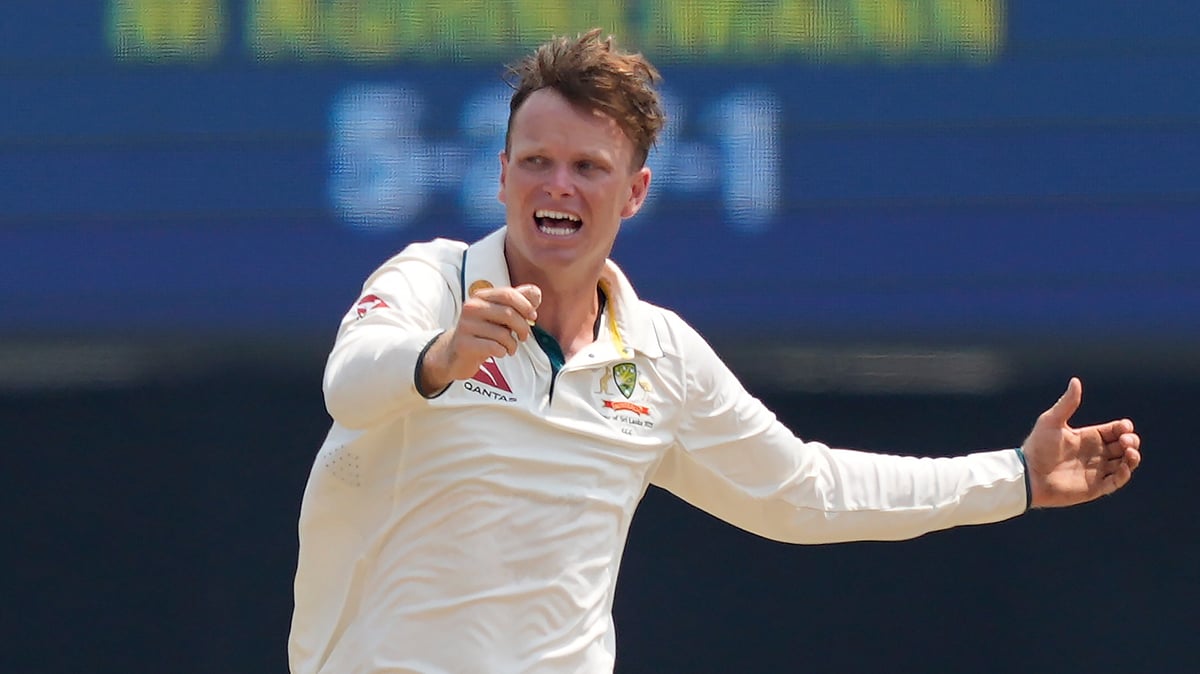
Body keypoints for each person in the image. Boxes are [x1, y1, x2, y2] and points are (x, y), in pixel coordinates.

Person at [288, 29, 1141, 674]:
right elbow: (348, 387)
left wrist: (1017, 478)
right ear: (502, 174)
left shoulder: (660, 355)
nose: (558, 185)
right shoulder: (433, 281)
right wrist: (439, 359)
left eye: (588, 167)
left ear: (635, 193)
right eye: (537, 161)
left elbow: (804, 491)